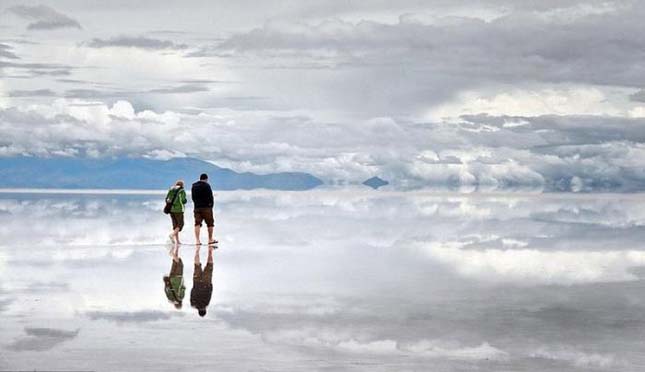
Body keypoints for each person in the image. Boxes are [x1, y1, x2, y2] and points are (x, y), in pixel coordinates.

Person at [191, 173, 217, 245]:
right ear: (206, 179)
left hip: (197, 207)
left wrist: (196, 204)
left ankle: (197, 240)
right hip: (206, 207)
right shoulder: (207, 185)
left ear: (200, 178)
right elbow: (210, 197)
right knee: (210, 223)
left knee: (197, 223)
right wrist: (211, 205)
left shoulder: (194, 186)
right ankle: (210, 239)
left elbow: (193, 197)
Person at [190, 245, 214, 317]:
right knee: (197, 265)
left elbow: (209, 293)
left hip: (206, 282)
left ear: (204, 310)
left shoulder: (206, 303)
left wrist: (210, 285)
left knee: (209, 266)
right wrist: (194, 286)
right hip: (196, 283)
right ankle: (197, 251)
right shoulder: (193, 304)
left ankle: (210, 252)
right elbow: (192, 293)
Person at [163, 243, 185, 309]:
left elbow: (183, 288)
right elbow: (165, 289)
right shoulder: (169, 298)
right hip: (171, 278)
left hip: (178, 278)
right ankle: (175, 246)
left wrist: (183, 286)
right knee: (175, 262)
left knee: (180, 264)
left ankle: (171, 253)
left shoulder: (181, 297)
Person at [166, 180, 187, 244]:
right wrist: (185, 201)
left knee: (175, 225)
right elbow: (183, 200)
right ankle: (172, 235)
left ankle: (177, 241)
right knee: (180, 224)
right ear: (182, 185)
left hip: (171, 210)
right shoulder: (182, 190)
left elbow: (167, 198)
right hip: (179, 210)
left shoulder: (171, 189)